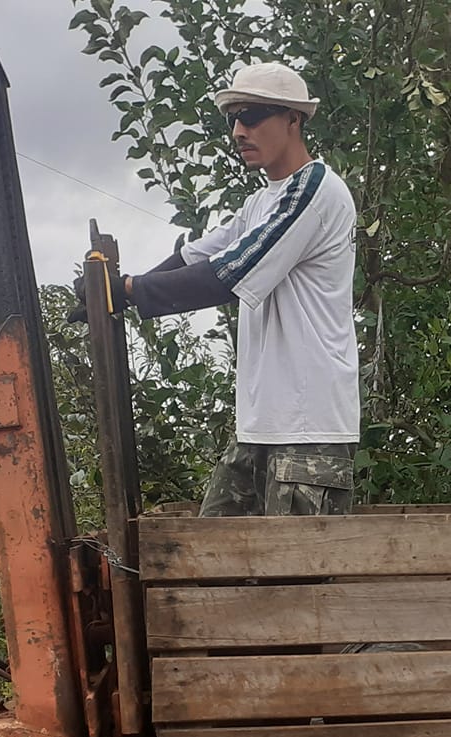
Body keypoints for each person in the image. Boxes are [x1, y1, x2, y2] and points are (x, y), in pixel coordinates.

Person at [77, 62, 359, 517]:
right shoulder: (261, 202)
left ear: (293, 118)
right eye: (232, 119)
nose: (237, 131)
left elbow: (227, 273)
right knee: (213, 562)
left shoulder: (315, 190)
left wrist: (127, 290)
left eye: (251, 116)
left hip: (308, 430)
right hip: (261, 427)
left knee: (293, 584)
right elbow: (195, 257)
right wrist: (109, 290)